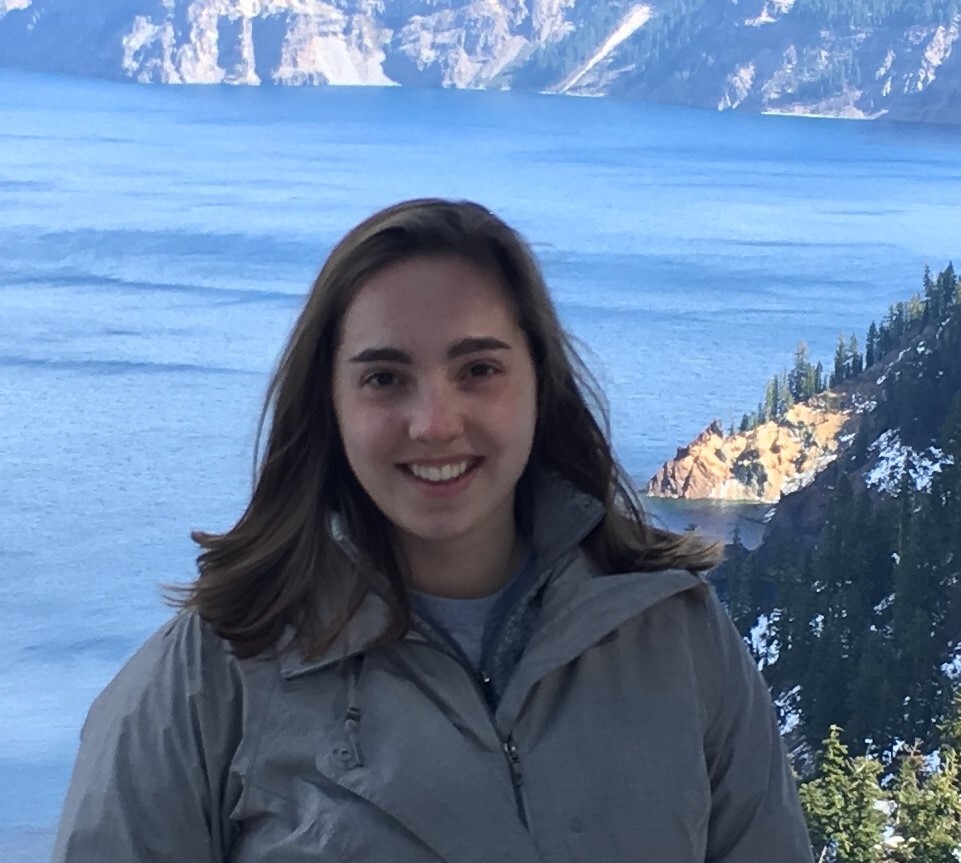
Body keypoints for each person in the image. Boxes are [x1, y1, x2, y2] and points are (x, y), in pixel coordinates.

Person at [53, 198, 815, 862]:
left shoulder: (674, 635)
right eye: (384, 378)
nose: (434, 422)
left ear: (539, 382)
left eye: (477, 369)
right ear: (329, 404)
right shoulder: (208, 678)